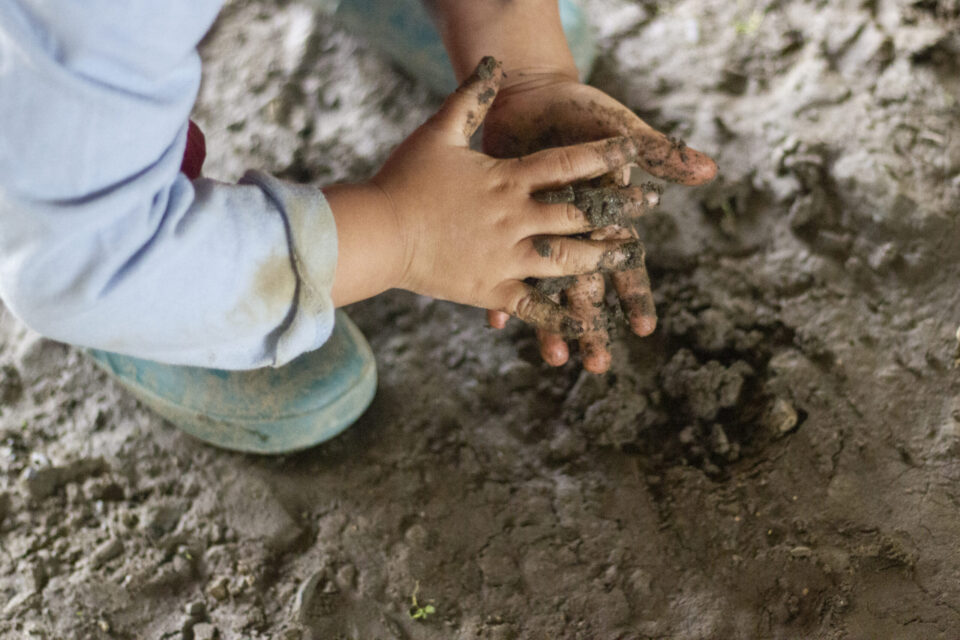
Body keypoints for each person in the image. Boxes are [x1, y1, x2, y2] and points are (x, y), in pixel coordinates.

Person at [0, 0, 716, 453]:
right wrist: (399, 231)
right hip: (60, 159)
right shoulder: (84, 24)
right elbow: (78, 254)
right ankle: (183, 284)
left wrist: (522, 57)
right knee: (116, 251)